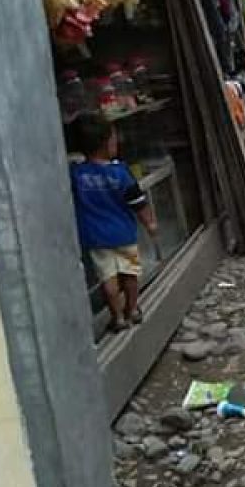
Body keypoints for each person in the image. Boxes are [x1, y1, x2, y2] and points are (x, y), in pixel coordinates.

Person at [68, 113, 158, 332]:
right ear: (107, 143)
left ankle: (117, 317)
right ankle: (133, 309)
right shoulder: (121, 173)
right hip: (124, 234)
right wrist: (150, 224)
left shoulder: (76, 174)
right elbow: (138, 202)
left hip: (95, 237)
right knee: (130, 274)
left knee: (108, 279)